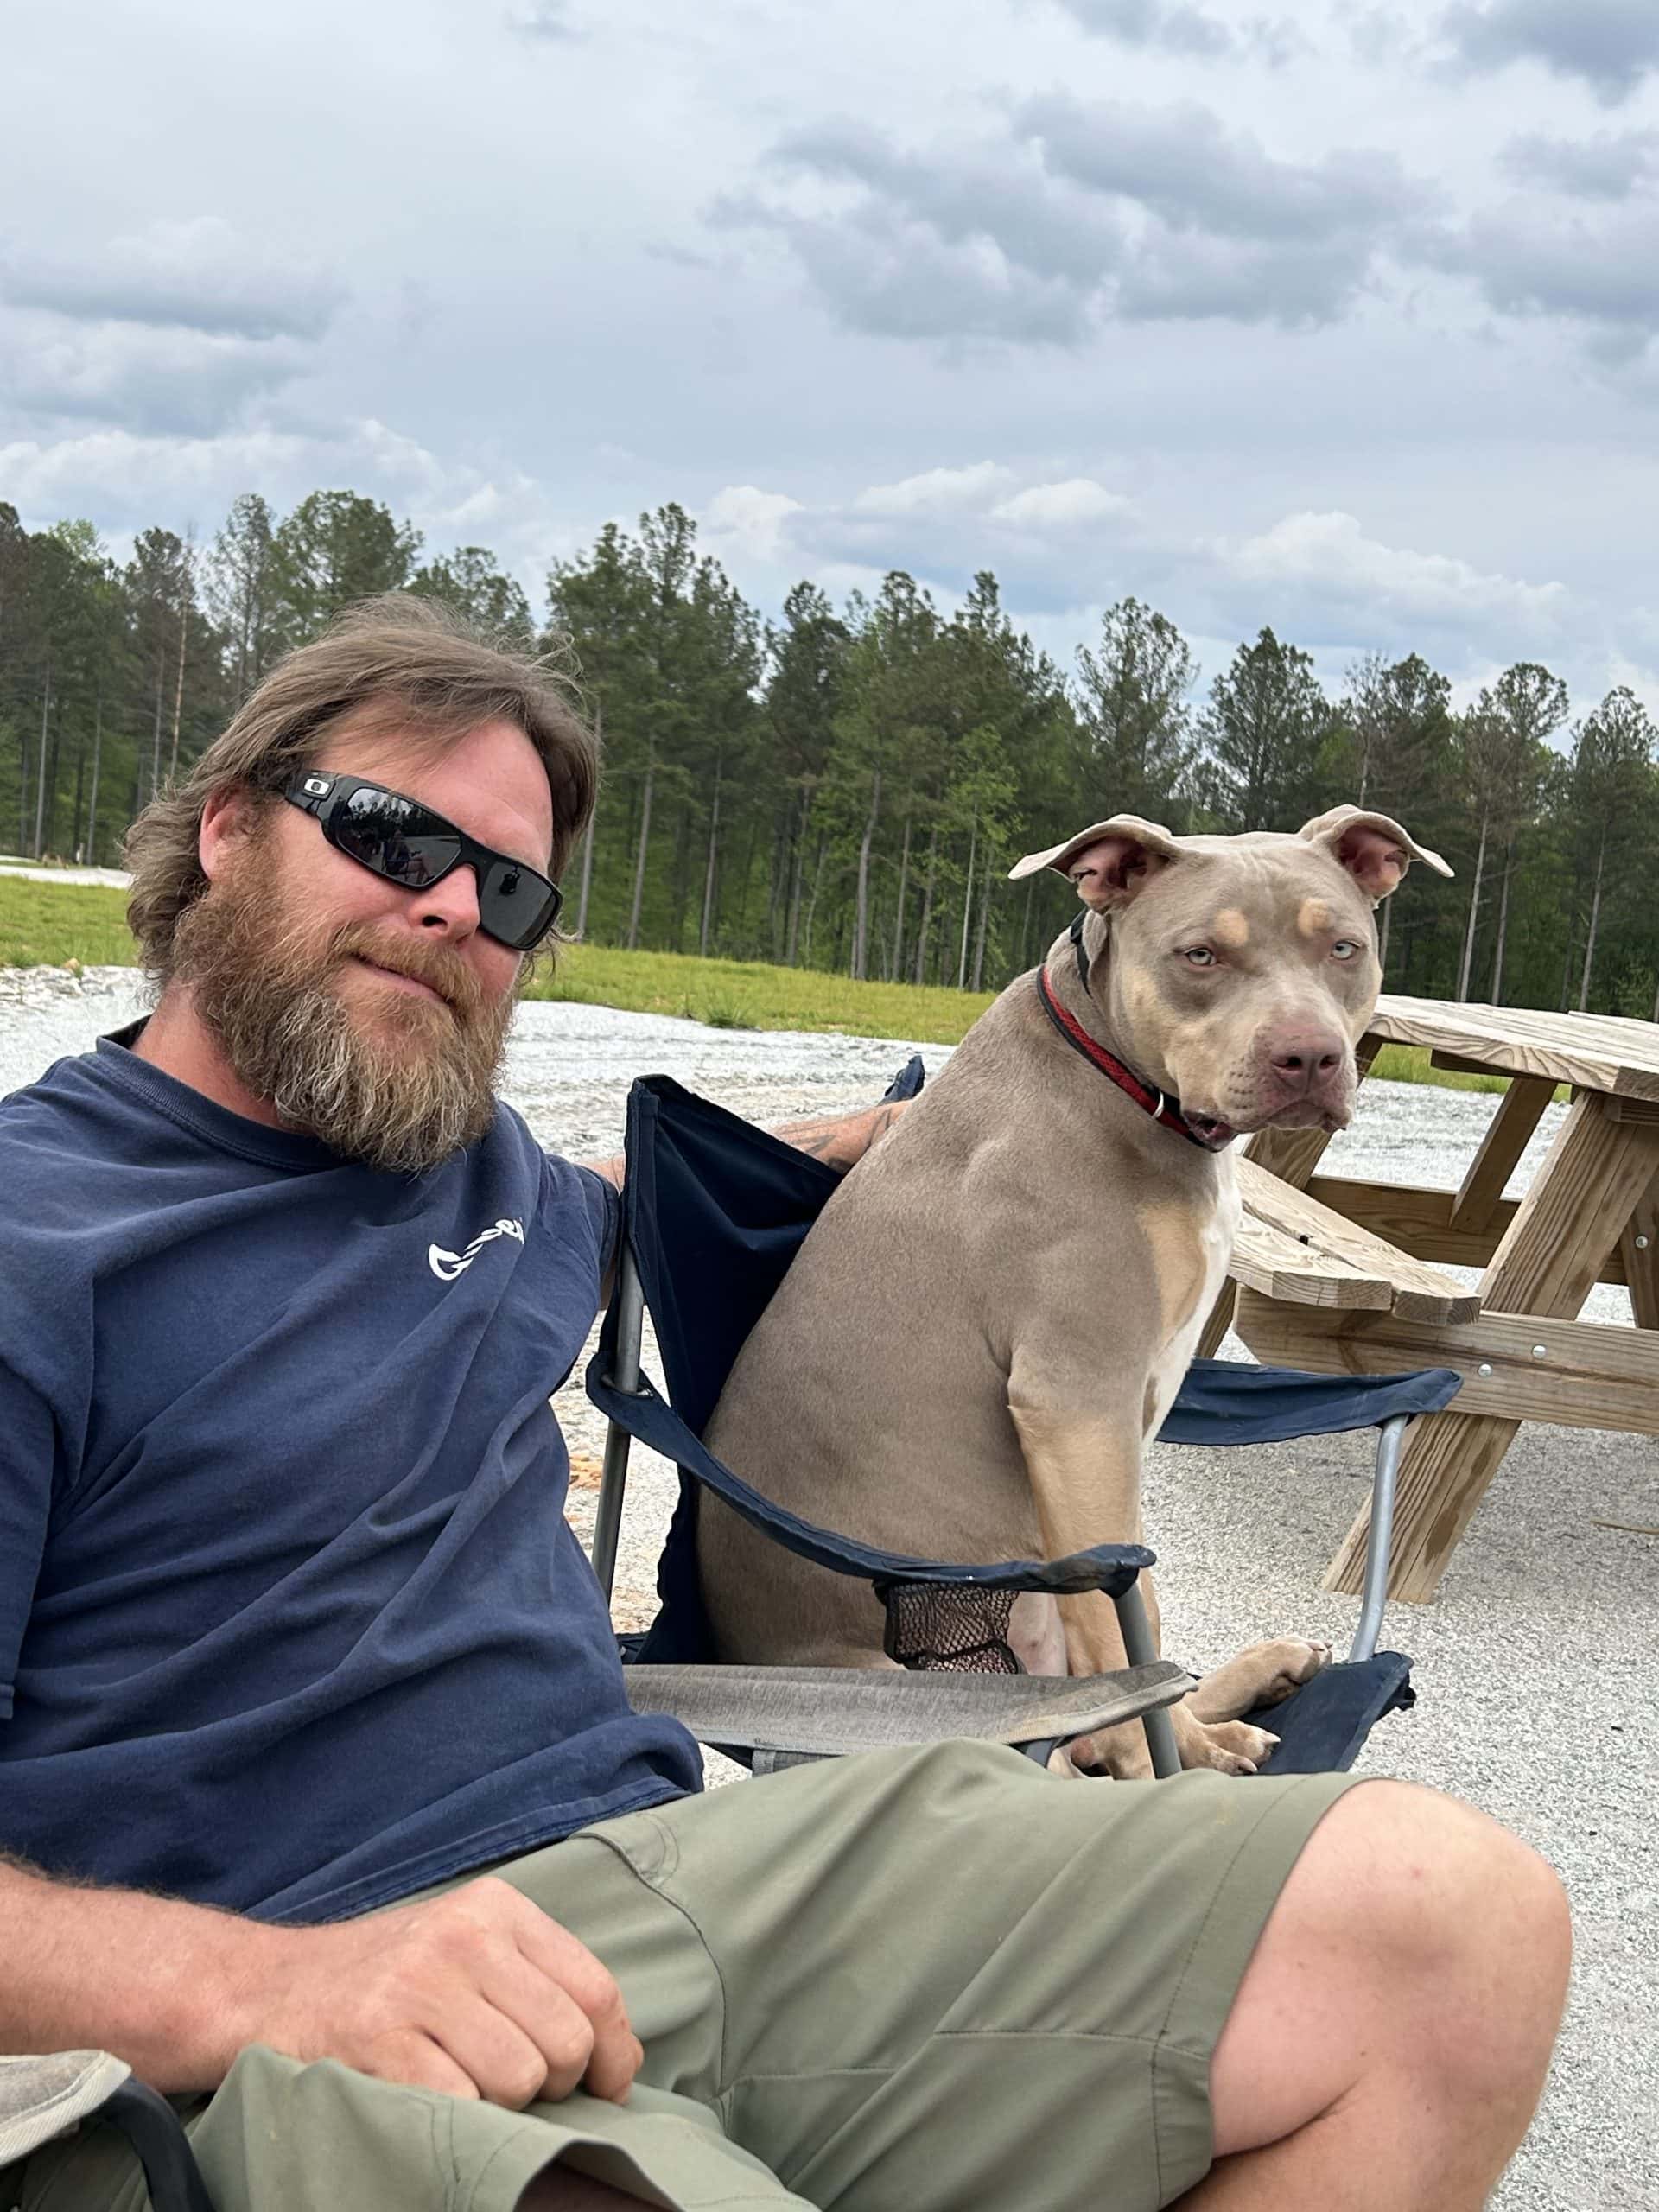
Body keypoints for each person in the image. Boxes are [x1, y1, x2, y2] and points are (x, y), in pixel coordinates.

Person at [0, 598, 1569, 2212]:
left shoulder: (483, 1183)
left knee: (1454, 1930)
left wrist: (938, 1132)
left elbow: (642, 1188)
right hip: (302, 1988)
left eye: (514, 888)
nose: (455, 908)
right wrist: (256, 1990)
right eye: (392, 837)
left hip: (685, 1872)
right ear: (228, 829)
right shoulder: (36, 1240)